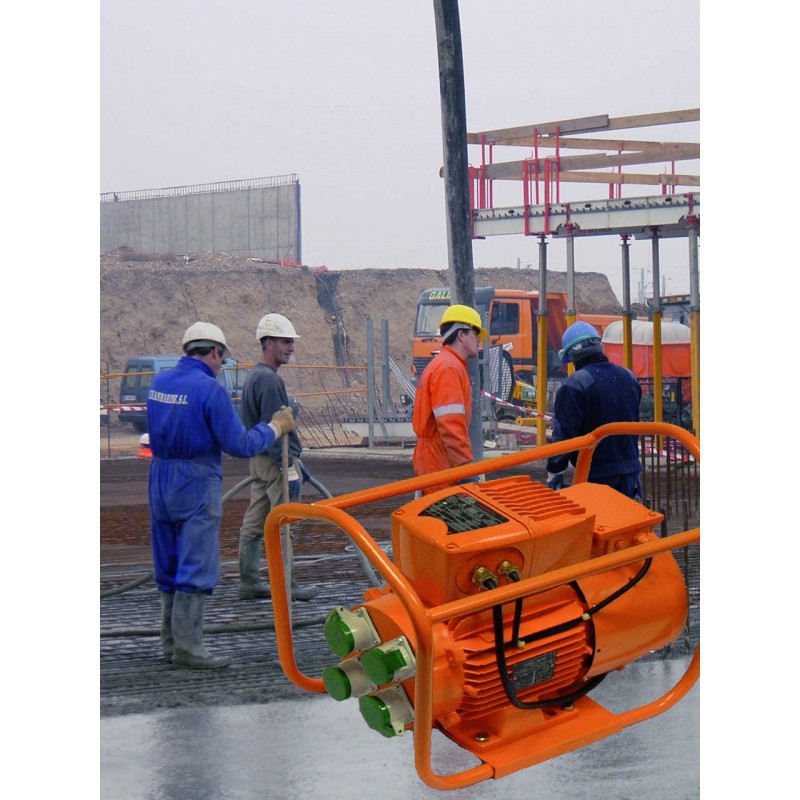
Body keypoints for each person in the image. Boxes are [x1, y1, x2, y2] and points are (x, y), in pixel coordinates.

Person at [147, 321, 296, 669]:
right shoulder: (210, 390)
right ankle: (188, 647)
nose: (221, 365)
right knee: (196, 561)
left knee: (168, 560)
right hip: (196, 482)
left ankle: (169, 644)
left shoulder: (159, 382)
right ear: (214, 352)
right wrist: (275, 428)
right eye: (222, 359)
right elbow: (239, 444)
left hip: (160, 479)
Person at [237, 313, 318, 601]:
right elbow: (276, 428)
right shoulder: (270, 380)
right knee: (285, 524)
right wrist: (288, 467)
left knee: (255, 522)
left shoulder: (255, 375)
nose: (290, 347)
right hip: (275, 461)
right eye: (285, 342)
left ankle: (249, 582)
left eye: (291, 342)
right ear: (268, 343)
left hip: (259, 462)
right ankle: (287, 586)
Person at [545, 321, 643, 499]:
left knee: (600, 517)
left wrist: (555, 471)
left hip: (596, 474)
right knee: (630, 516)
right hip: (631, 472)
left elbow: (564, 434)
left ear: (572, 355)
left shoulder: (575, 384)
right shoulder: (629, 377)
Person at [412, 304, 487, 495]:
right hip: (441, 459)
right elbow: (450, 423)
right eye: (475, 333)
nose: (479, 340)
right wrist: (464, 467)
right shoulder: (449, 368)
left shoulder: (444, 364)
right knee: (449, 511)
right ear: (461, 334)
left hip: (436, 456)